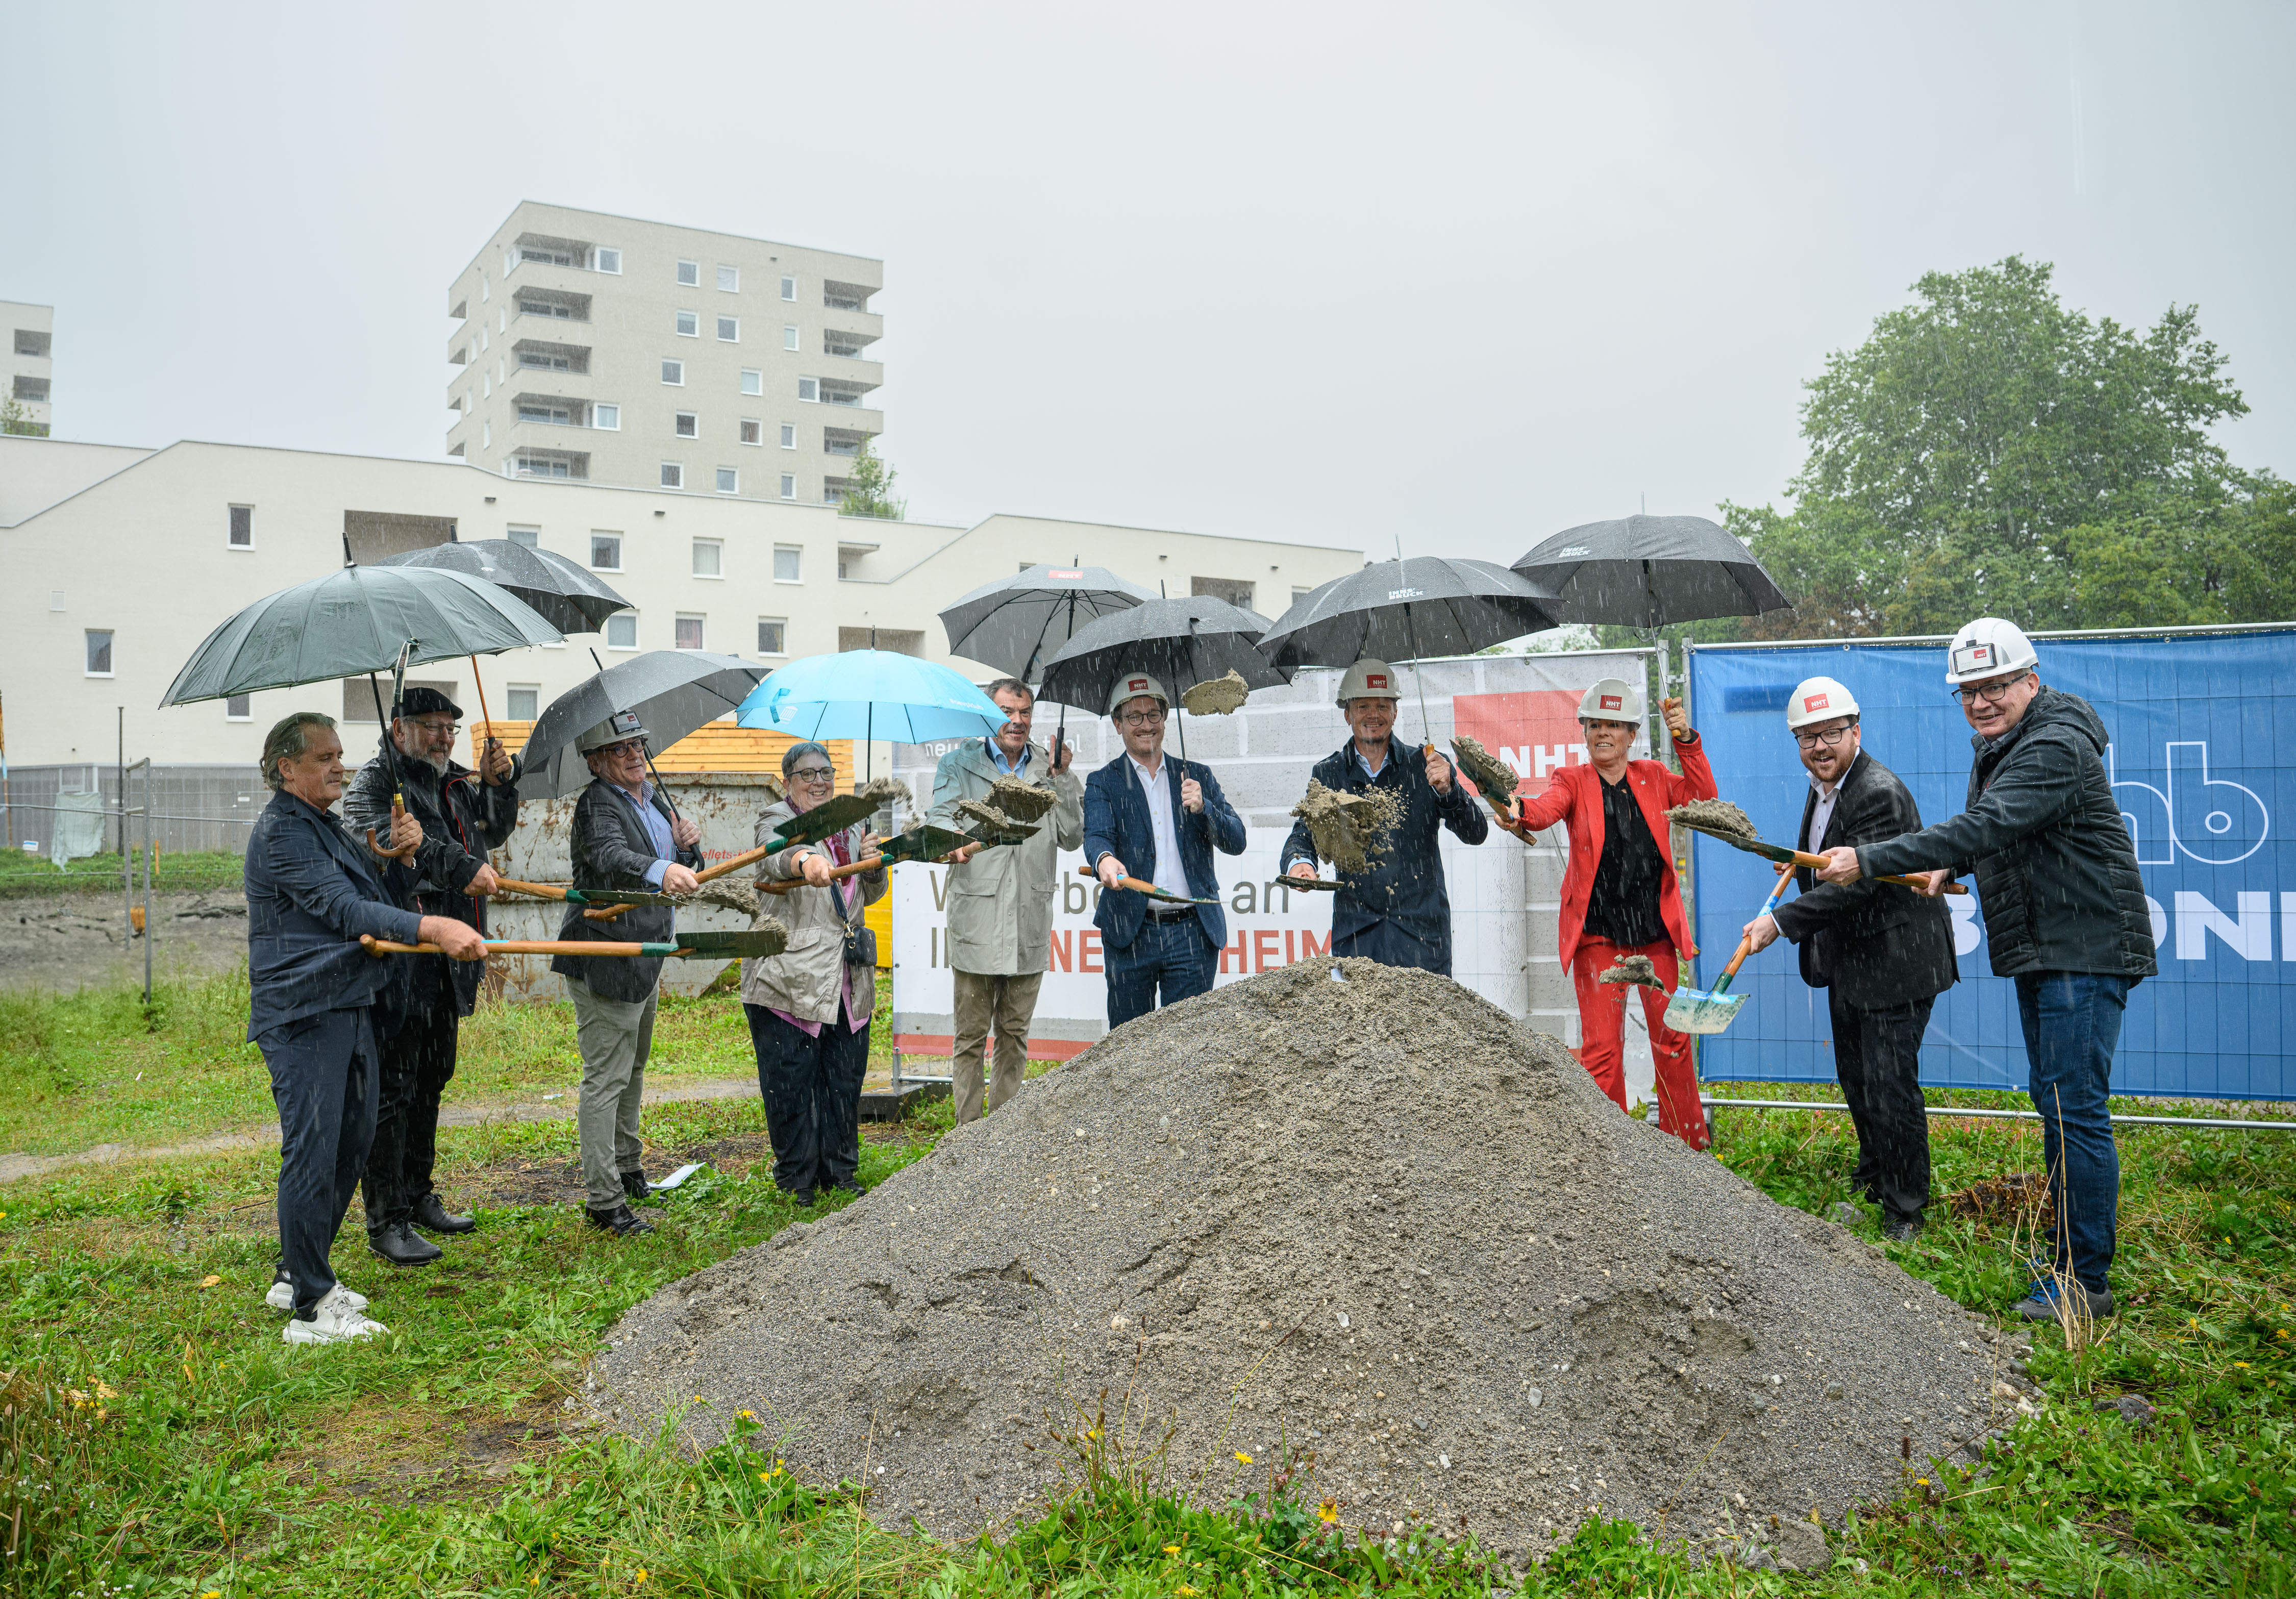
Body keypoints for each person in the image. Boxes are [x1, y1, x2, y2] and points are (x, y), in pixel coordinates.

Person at [1815, 618, 2155, 1320]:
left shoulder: (2054, 744)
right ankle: (2068, 1258)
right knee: (2056, 1102)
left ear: (2031, 679)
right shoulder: (2007, 744)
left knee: (2074, 1110)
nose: (1981, 701)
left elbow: (1990, 822)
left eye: (1995, 685)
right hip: (2048, 944)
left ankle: (2084, 1281)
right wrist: (1953, 863)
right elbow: (1997, 828)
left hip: (2082, 946)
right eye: (1969, 691)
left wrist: (1872, 857)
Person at [245, 710, 486, 1344]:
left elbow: (376, 892)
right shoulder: (282, 832)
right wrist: (433, 927)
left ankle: (295, 1271)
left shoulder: (323, 824)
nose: (340, 767)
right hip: (304, 1012)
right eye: (324, 758)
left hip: (348, 1003)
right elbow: (346, 910)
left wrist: (402, 858)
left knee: (351, 1142)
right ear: (286, 767)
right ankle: (313, 1307)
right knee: (313, 1150)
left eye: (340, 754)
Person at [1738, 677, 1956, 1240]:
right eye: (1807, 737)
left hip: (1898, 958)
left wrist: (1781, 921)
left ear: (1856, 731)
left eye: (1831, 733)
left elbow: (1858, 885)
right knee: (1858, 1077)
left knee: (1889, 1084)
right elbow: (1835, 860)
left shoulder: (1877, 791)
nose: (1820, 747)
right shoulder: (1824, 785)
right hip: (1856, 958)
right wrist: (1805, 866)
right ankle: (1876, 1179)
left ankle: (1906, 1210)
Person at [341, 687, 519, 1267]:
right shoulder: (376, 783)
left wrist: (499, 784)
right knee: (394, 1089)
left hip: (452, 958)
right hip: (402, 955)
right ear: (400, 729)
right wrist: (454, 865)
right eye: (432, 726)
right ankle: (386, 1218)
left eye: (450, 727)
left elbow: (492, 830)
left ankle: (419, 1195)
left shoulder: (454, 782)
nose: (444, 738)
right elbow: (382, 847)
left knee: (432, 1078)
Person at [1507, 677, 1715, 1148]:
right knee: (1602, 1052)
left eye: (1614, 725)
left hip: (1655, 937)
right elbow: (1541, 811)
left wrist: (1685, 740)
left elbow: (1702, 799)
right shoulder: (1571, 781)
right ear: (1584, 732)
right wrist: (1514, 807)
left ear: (1632, 734)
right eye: (1595, 725)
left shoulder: (1654, 776)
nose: (1603, 733)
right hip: (1599, 939)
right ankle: (1613, 1157)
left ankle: (1687, 1149)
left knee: (1674, 1042)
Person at [552, 710, 704, 1237]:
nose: (635, 753)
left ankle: (628, 1168)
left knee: (633, 1067)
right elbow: (609, 855)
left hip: (645, 954)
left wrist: (684, 847)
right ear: (596, 762)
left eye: (638, 743)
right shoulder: (597, 803)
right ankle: (604, 1199)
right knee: (607, 1077)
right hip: (605, 955)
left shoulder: (654, 799)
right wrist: (664, 866)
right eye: (620, 748)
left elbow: (681, 867)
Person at [926, 677, 1083, 1123]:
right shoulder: (958, 765)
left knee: (1015, 1035)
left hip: (1028, 919)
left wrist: (1064, 778)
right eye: (1007, 712)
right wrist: (952, 839)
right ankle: (968, 1136)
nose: (1017, 721)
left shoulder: (1050, 770)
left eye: (1025, 712)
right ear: (988, 715)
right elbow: (940, 817)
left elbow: (1072, 836)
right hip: (978, 918)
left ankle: (1003, 1141)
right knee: (971, 1037)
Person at [742, 743, 889, 1204]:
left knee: (843, 1079)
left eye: (826, 772)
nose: (819, 781)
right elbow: (777, 854)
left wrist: (871, 863)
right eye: (807, 774)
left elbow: (870, 894)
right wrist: (807, 861)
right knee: (791, 1084)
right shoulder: (775, 816)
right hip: (790, 977)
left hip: (847, 978)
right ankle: (797, 1181)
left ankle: (840, 1173)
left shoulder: (850, 824)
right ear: (788, 781)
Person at [1282, 659, 1489, 975]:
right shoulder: (1329, 774)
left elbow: (1476, 833)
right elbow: (1303, 835)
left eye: (1382, 706)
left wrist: (1449, 791)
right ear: (1347, 713)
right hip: (1358, 938)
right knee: (1358, 1011)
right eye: (1363, 706)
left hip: (1422, 938)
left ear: (1395, 711)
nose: (1373, 715)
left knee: (1423, 1011)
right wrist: (1301, 863)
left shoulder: (1427, 766)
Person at [1082, 672, 1246, 1029]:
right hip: (1131, 931)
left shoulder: (1197, 777)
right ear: (1118, 724)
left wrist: (1205, 809)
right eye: (1134, 717)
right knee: (1128, 1046)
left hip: (1192, 934)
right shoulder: (1103, 782)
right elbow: (1096, 837)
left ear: (1165, 718)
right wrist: (1104, 860)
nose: (1146, 725)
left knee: (1186, 1047)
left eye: (1153, 714)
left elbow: (1237, 841)